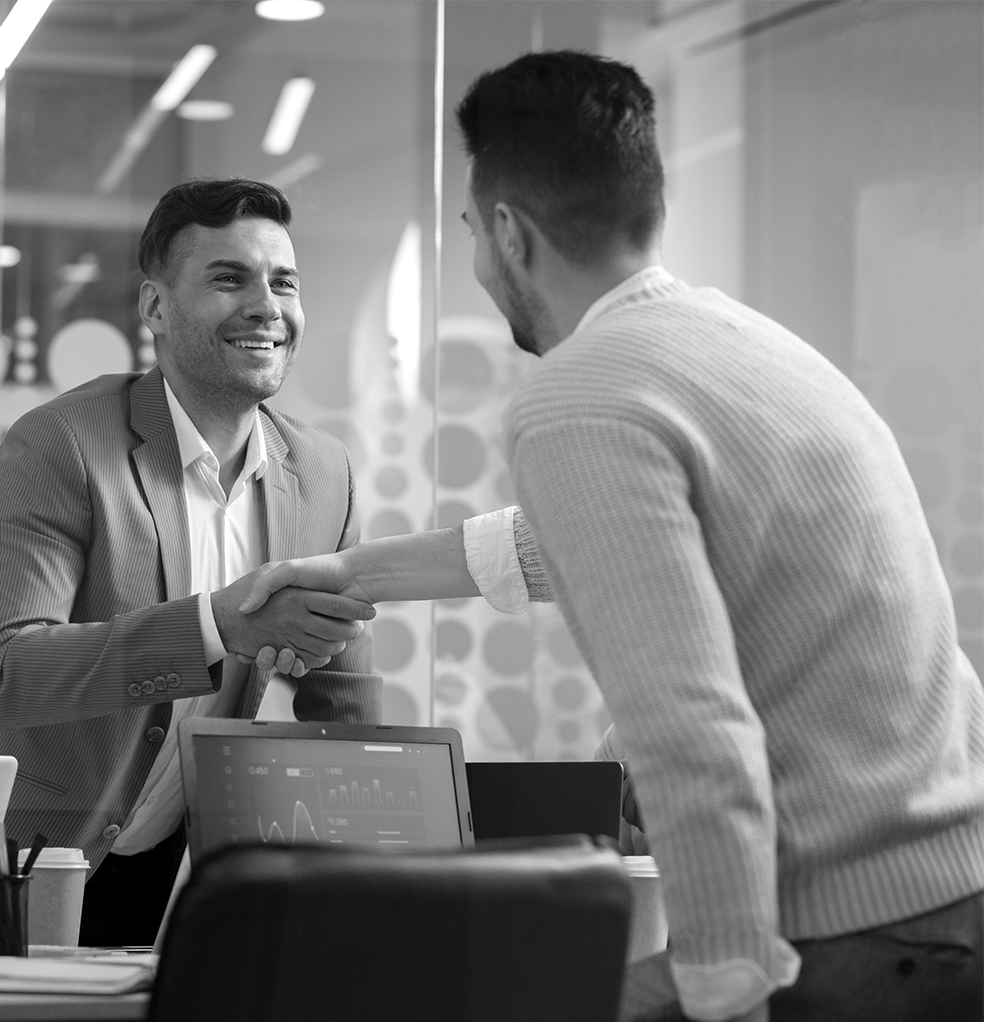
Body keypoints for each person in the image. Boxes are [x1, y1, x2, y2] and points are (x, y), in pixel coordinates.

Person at [241, 52, 984, 1022]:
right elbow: (596, 541)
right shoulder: (741, 347)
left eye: (472, 232)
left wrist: (720, 979)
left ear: (510, 233)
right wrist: (355, 573)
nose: (478, 264)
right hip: (949, 894)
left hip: (849, 938)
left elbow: (688, 721)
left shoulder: (582, 392)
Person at [0, 178, 547, 947]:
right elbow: (9, 671)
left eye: (284, 282)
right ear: (155, 307)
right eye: (229, 278)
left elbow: (343, 697)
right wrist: (218, 625)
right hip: (1, 855)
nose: (266, 306)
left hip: (153, 861)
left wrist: (387, 885)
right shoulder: (63, 444)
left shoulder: (321, 472)